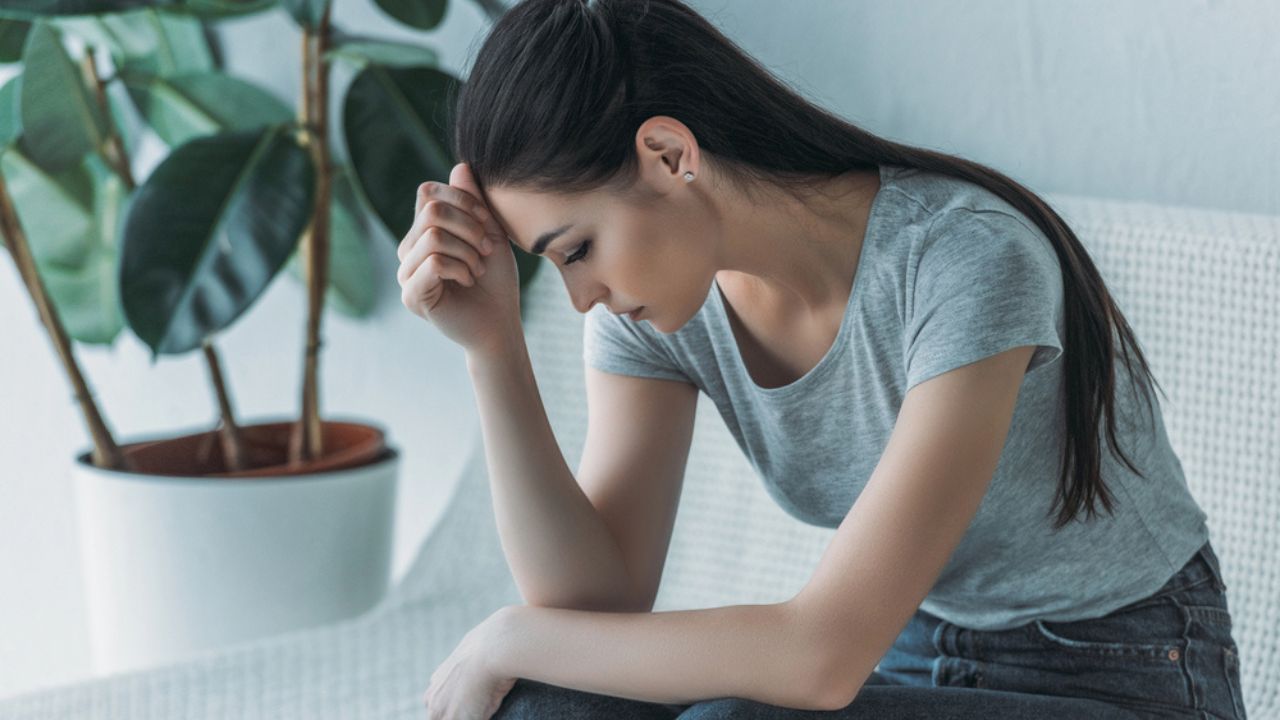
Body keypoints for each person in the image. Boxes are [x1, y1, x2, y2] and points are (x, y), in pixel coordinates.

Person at [395, 1, 1246, 718]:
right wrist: (492, 347)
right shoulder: (657, 310)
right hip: (918, 665)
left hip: (1128, 676)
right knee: (544, 703)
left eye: (575, 250)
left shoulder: (962, 260)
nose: (580, 298)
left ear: (668, 156)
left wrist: (504, 633)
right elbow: (593, 612)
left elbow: (821, 657)